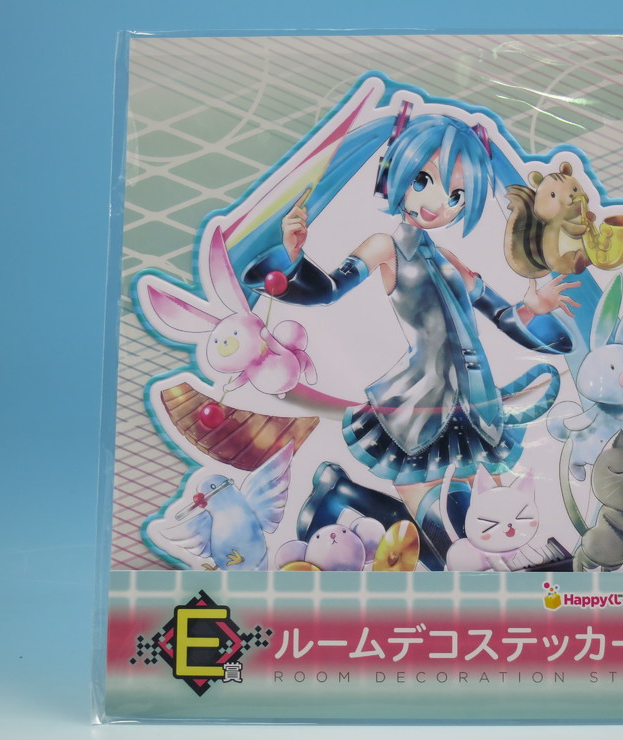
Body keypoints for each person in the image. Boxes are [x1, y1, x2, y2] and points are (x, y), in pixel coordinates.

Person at [232, 109, 580, 564]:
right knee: (443, 529)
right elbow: (329, 290)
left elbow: (499, 313)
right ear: (393, 177)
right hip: (418, 403)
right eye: (423, 180)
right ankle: (342, 500)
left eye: (456, 195)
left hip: (474, 402)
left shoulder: (450, 258)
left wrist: (533, 308)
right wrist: (293, 257)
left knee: (486, 519)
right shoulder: (386, 246)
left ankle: (340, 496)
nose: (438, 203)